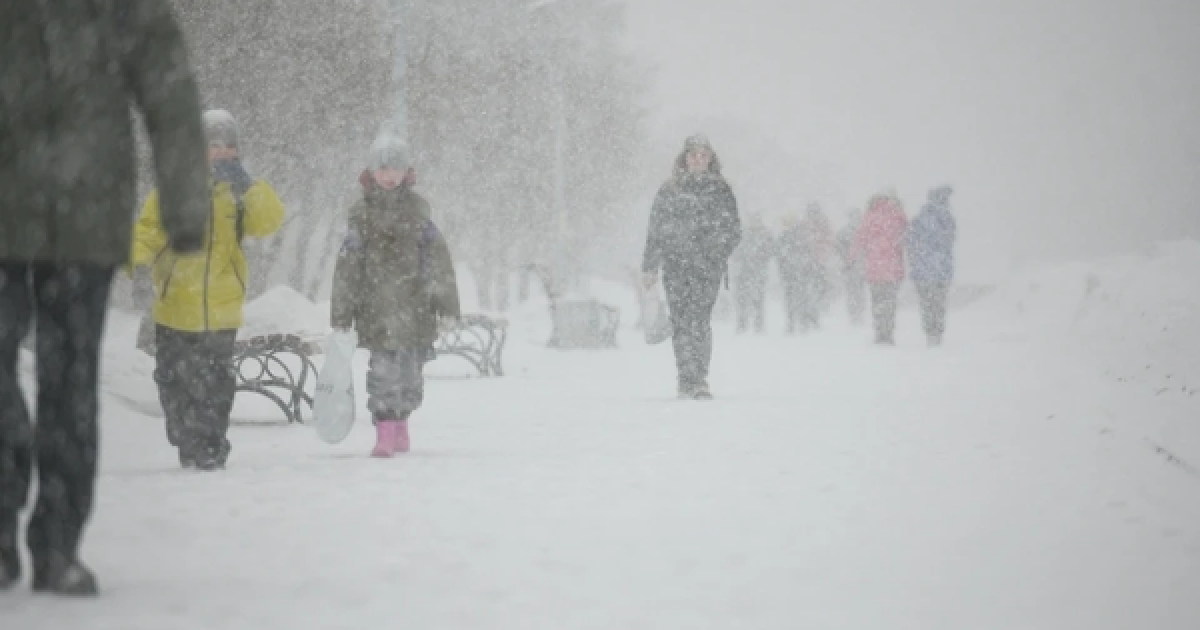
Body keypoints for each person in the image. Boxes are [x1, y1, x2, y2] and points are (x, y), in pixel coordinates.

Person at [0, 1, 209, 595]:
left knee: (69, 382)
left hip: (85, 217)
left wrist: (185, 201)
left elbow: (168, 90)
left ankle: (58, 543)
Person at [132, 109, 285, 471]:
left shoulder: (239, 195)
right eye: (213, 145)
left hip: (222, 308)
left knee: (216, 384)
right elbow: (148, 231)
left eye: (229, 146)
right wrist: (130, 259)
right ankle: (185, 437)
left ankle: (212, 446)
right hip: (174, 305)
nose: (222, 153)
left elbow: (269, 221)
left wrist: (248, 186)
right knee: (174, 381)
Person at [331, 135, 461, 457]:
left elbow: (439, 263)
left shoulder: (419, 215)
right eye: (383, 168)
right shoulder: (362, 217)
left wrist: (446, 306)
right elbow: (348, 268)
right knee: (383, 374)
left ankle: (401, 424)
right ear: (371, 171)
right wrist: (342, 313)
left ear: (407, 172)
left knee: (410, 377)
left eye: (396, 168)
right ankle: (385, 432)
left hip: (416, 310)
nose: (389, 176)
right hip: (377, 310)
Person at [642, 134, 741, 399]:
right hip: (675, 266)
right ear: (685, 158)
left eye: (703, 155)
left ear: (710, 159)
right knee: (681, 321)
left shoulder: (721, 191)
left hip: (708, 268)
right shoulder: (669, 190)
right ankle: (686, 378)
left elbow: (733, 230)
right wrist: (650, 266)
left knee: (700, 321)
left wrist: (715, 252)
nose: (698, 159)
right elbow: (655, 229)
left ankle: (699, 378)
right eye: (693, 155)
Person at [907, 186, 958, 346]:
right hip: (941, 270)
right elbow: (949, 241)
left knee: (927, 304)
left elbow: (911, 243)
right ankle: (937, 333)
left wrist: (915, 262)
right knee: (939, 303)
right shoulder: (948, 219)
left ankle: (930, 332)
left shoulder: (919, 219)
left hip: (923, 271)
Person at [857, 192, 909, 345]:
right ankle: (888, 332)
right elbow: (907, 237)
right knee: (890, 302)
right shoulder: (897, 216)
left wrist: (851, 259)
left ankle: (880, 333)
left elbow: (860, 241)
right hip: (893, 269)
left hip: (874, 269)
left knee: (877, 302)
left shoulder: (869, 218)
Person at [777, 210, 823, 333]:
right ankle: (802, 323)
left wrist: (783, 271)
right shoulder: (801, 236)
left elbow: (780, 257)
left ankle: (792, 323)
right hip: (799, 273)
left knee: (792, 299)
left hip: (792, 273)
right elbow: (808, 254)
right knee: (801, 297)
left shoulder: (785, 238)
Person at [731, 213, 775, 333]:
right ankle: (745, 323)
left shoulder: (762, 234)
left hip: (755, 271)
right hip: (746, 271)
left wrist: (758, 257)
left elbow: (771, 250)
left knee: (755, 298)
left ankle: (755, 324)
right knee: (744, 298)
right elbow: (735, 250)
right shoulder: (746, 233)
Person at [837, 209, 867, 324]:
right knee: (858, 291)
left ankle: (854, 314)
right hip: (859, 266)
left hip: (851, 266)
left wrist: (845, 259)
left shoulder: (843, 232)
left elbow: (838, 248)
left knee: (852, 291)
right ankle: (857, 313)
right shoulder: (864, 230)